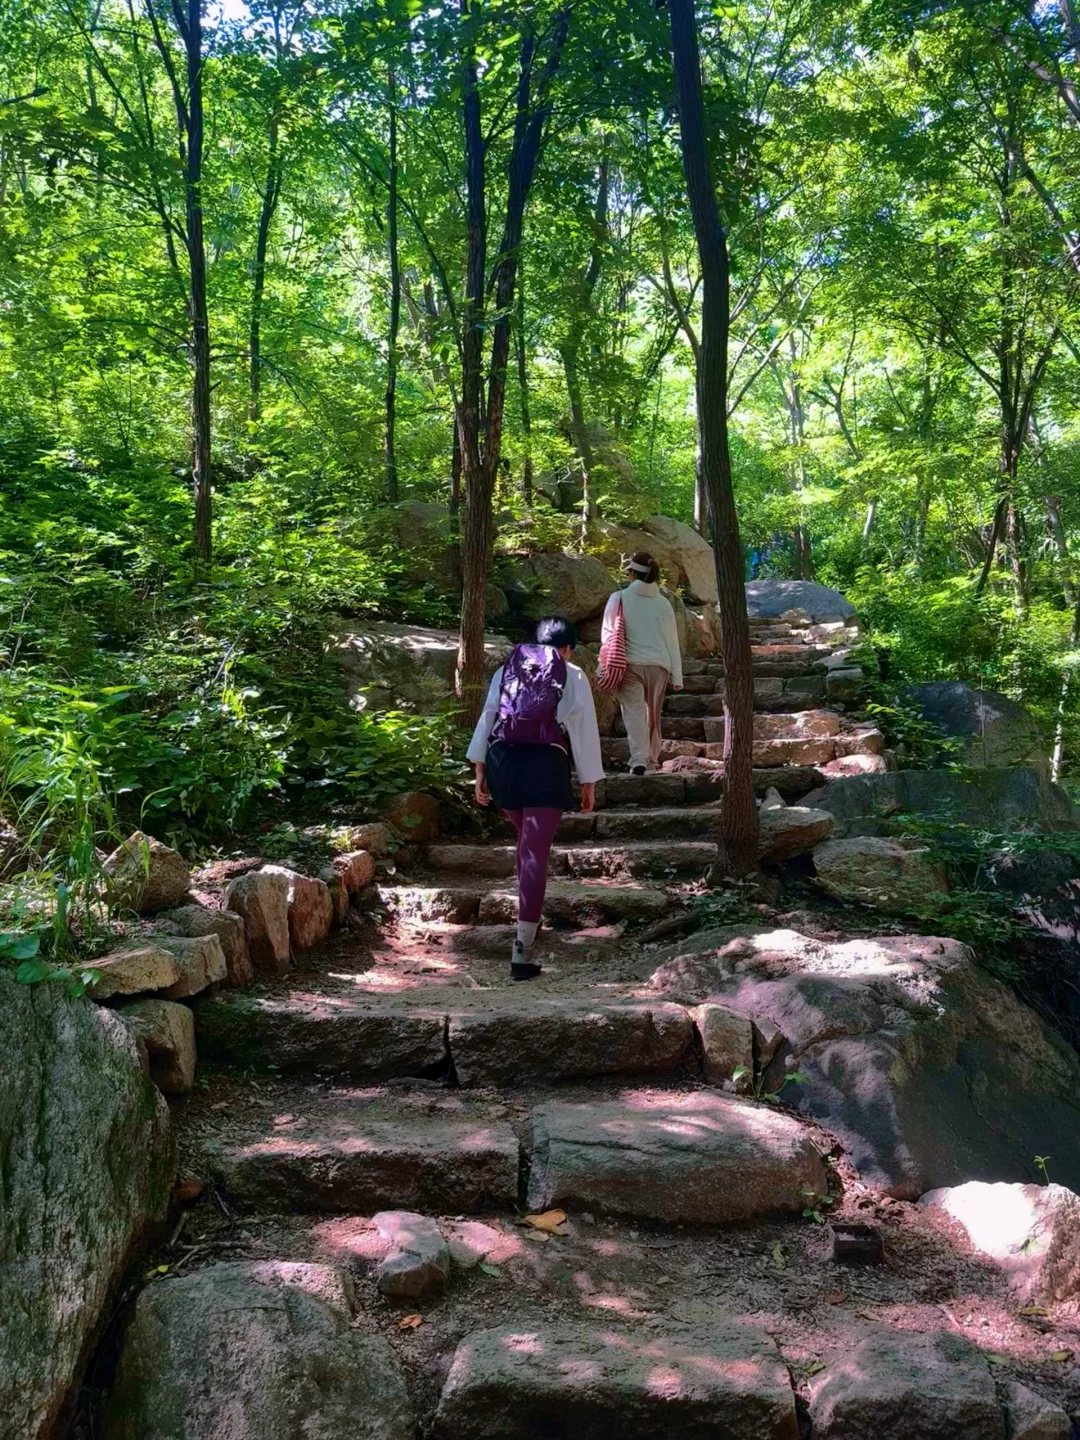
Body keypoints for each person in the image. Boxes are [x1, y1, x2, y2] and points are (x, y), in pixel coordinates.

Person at [467, 614, 604, 981]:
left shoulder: (507, 669)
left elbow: (489, 716)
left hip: (503, 764)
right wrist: (588, 781)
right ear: (568, 649)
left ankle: (529, 919)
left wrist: (480, 770)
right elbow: (584, 730)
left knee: (526, 845)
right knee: (534, 852)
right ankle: (523, 951)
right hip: (545, 766)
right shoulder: (572, 674)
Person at [600, 550, 683, 775]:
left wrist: (602, 665)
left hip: (630, 664)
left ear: (632, 574)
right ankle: (652, 759)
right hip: (660, 665)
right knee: (653, 714)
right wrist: (677, 675)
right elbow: (672, 640)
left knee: (634, 712)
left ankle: (639, 759)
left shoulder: (619, 598)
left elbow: (608, 635)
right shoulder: (664, 604)